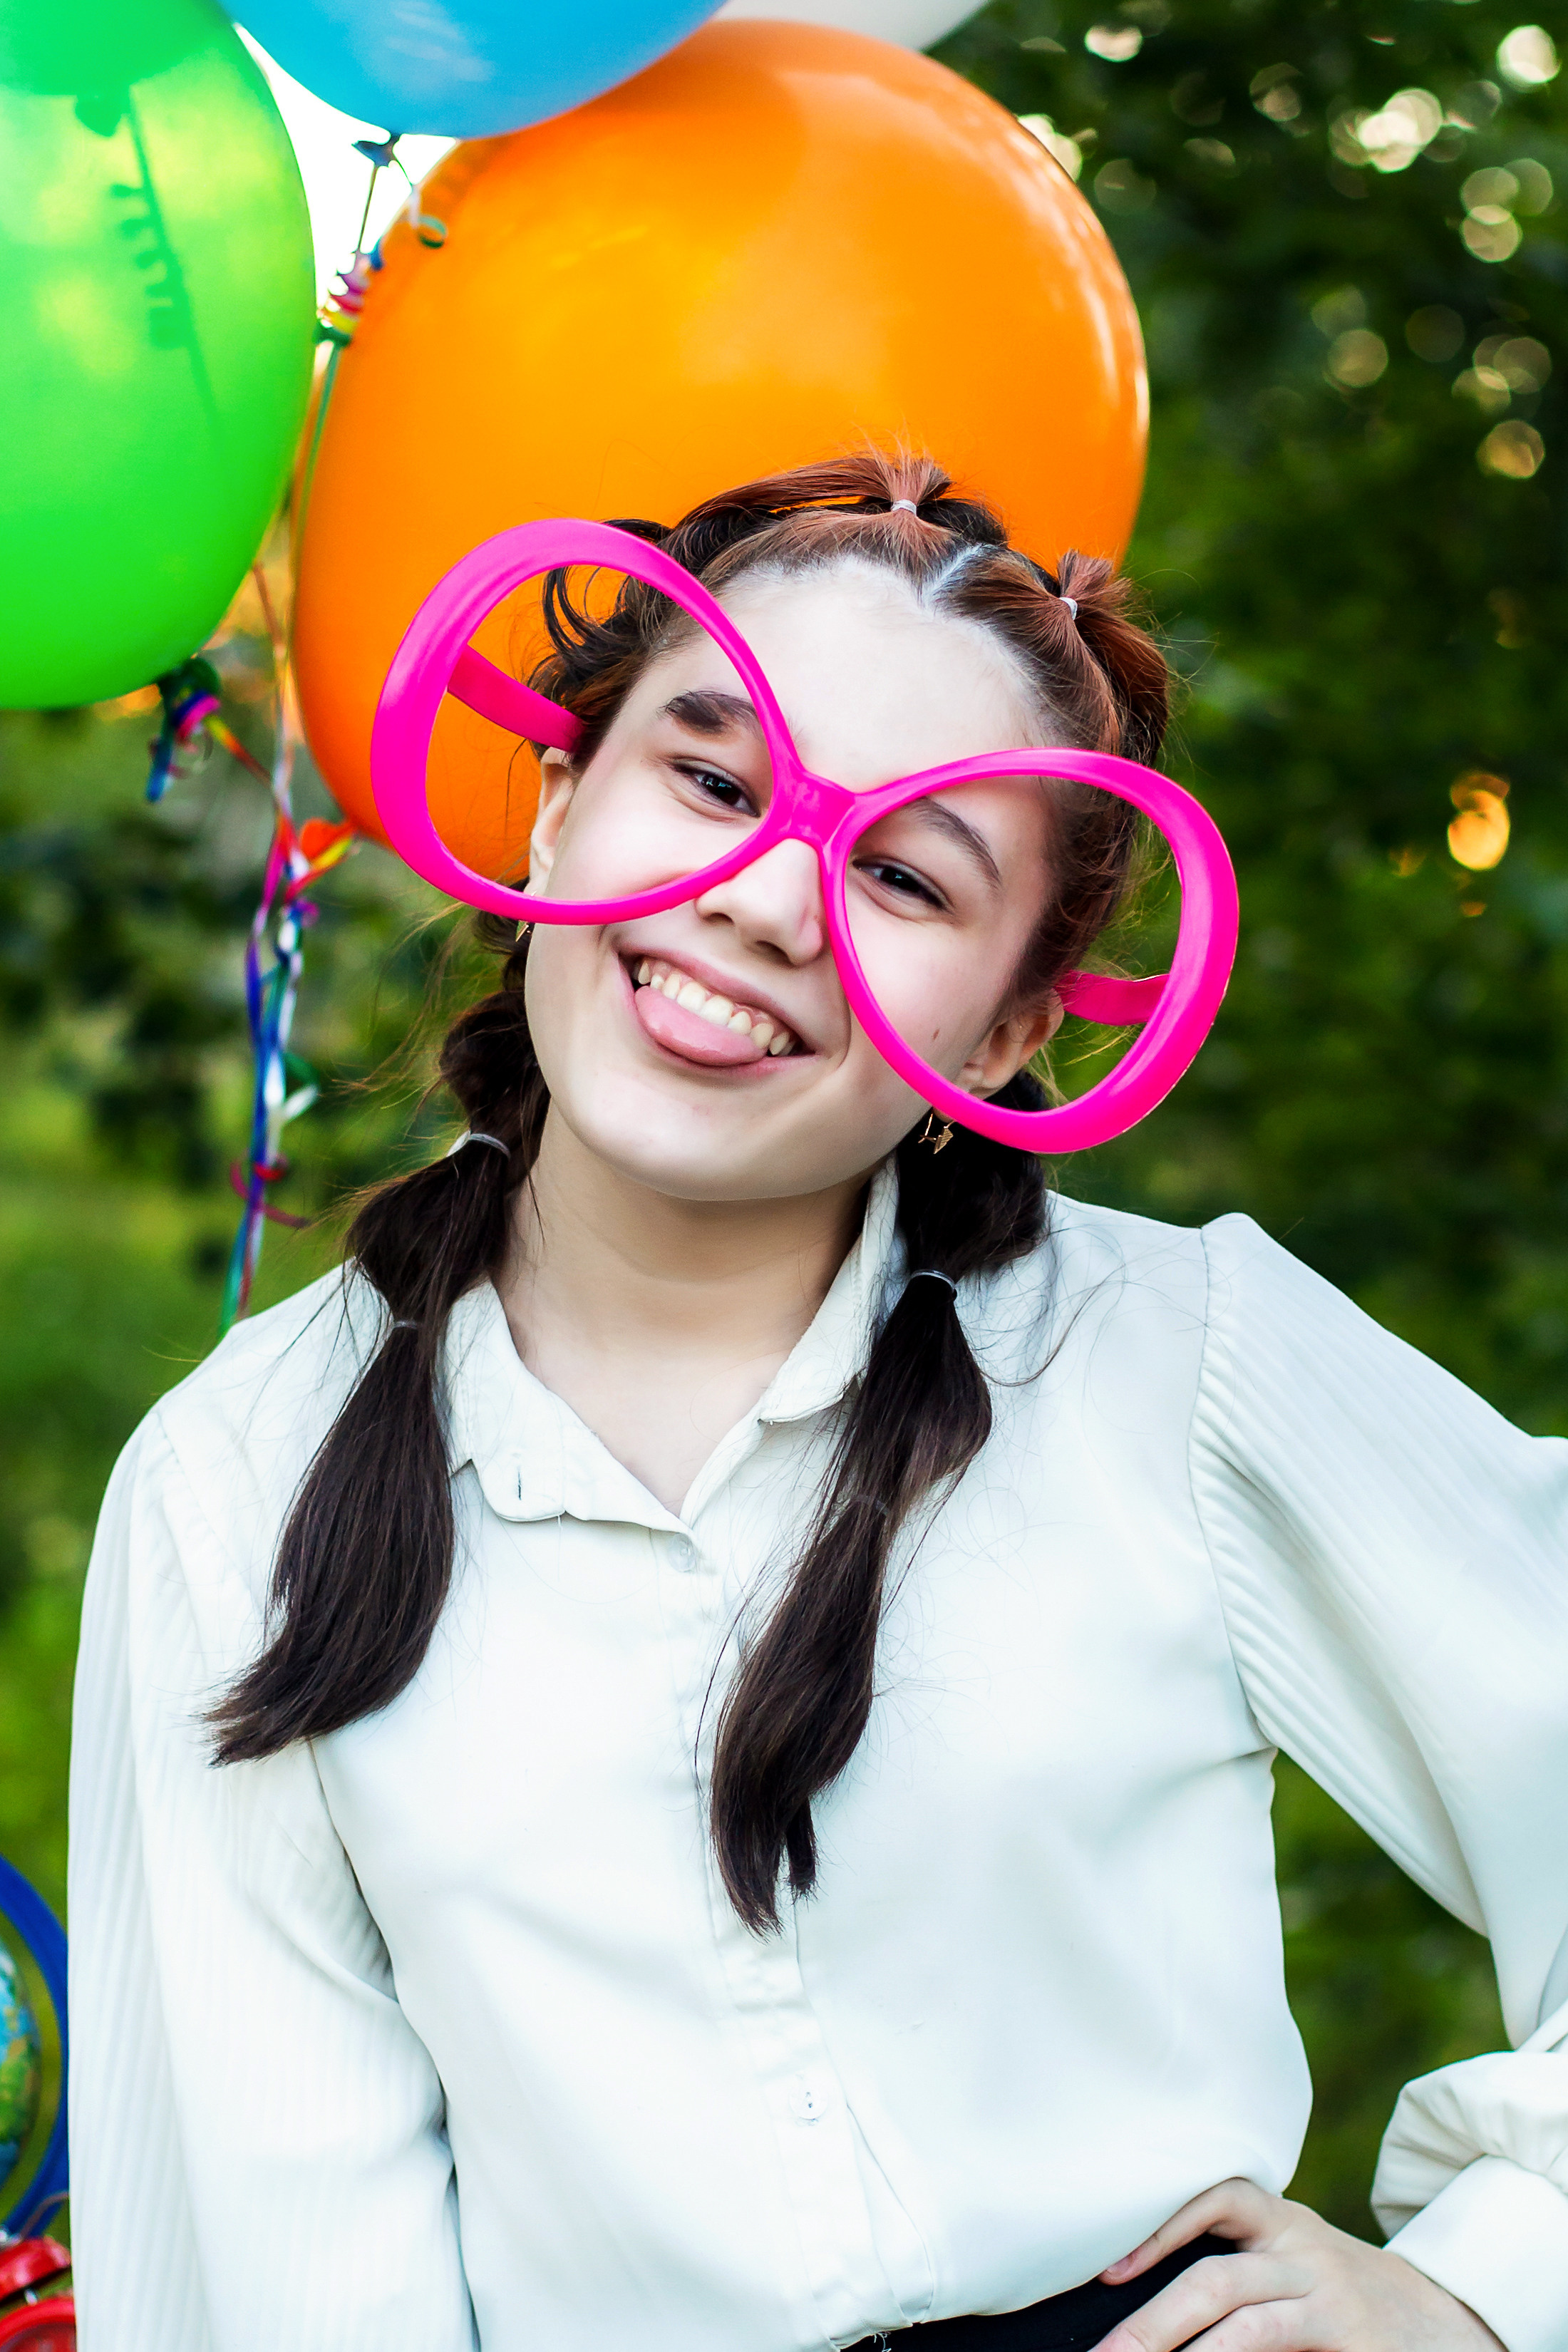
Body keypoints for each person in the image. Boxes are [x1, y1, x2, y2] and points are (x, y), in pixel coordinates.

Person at [68, 453, 1568, 2352]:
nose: (771, 899)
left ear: (1011, 1031)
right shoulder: (235, 1483)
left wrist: (1479, 2285)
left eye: (905, 875)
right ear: (558, 802)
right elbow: (271, 2275)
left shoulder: (1176, 1359)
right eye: (713, 780)